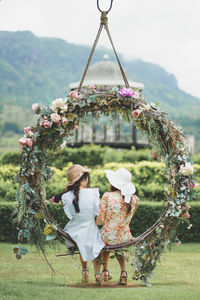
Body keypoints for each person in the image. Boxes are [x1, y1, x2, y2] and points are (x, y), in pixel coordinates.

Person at [53, 164, 105, 285]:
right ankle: (97, 273)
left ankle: (85, 271)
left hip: (74, 230)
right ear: (85, 179)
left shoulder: (66, 196)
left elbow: (70, 215)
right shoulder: (93, 193)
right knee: (94, 242)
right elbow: (97, 213)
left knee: (82, 242)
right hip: (90, 227)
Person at [97, 168, 139, 285]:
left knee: (102, 239)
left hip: (108, 237)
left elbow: (99, 221)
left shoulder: (107, 196)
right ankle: (123, 273)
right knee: (115, 243)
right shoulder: (134, 200)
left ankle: (103, 272)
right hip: (124, 237)